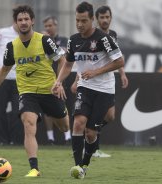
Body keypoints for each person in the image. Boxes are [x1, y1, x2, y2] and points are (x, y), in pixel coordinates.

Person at [0, 5, 70, 177]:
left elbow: (62, 61)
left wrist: (59, 83)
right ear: (16, 23)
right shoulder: (11, 46)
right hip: (27, 92)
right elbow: (5, 70)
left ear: (32, 21)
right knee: (28, 123)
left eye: (26, 19)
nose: (23, 22)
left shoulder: (45, 40)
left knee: (65, 127)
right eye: (20, 20)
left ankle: (58, 114)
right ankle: (34, 168)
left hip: (49, 90)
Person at [51, 2, 124, 179]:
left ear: (92, 20)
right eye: (77, 20)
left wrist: (95, 72)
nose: (80, 24)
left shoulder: (103, 39)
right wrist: (58, 81)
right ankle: (77, 167)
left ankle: (85, 162)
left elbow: (119, 61)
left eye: (84, 20)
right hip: (85, 86)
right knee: (78, 123)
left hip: (105, 90)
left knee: (91, 134)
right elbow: (68, 65)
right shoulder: (73, 40)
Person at [70, 5, 129, 158]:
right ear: (97, 19)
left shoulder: (111, 36)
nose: (105, 20)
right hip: (88, 83)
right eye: (102, 17)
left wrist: (122, 74)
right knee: (82, 123)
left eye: (107, 17)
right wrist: (76, 80)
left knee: (110, 116)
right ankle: (90, 148)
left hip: (106, 83)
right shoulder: (81, 38)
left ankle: (91, 134)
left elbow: (117, 58)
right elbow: (83, 62)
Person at [42, 15, 71, 145]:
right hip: (46, 78)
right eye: (46, 26)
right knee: (47, 109)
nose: (48, 28)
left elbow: (64, 56)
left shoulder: (63, 40)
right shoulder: (41, 41)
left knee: (62, 106)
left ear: (56, 25)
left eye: (50, 25)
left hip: (61, 78)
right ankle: (50, 138)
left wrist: (60, 82)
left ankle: (67, 137)